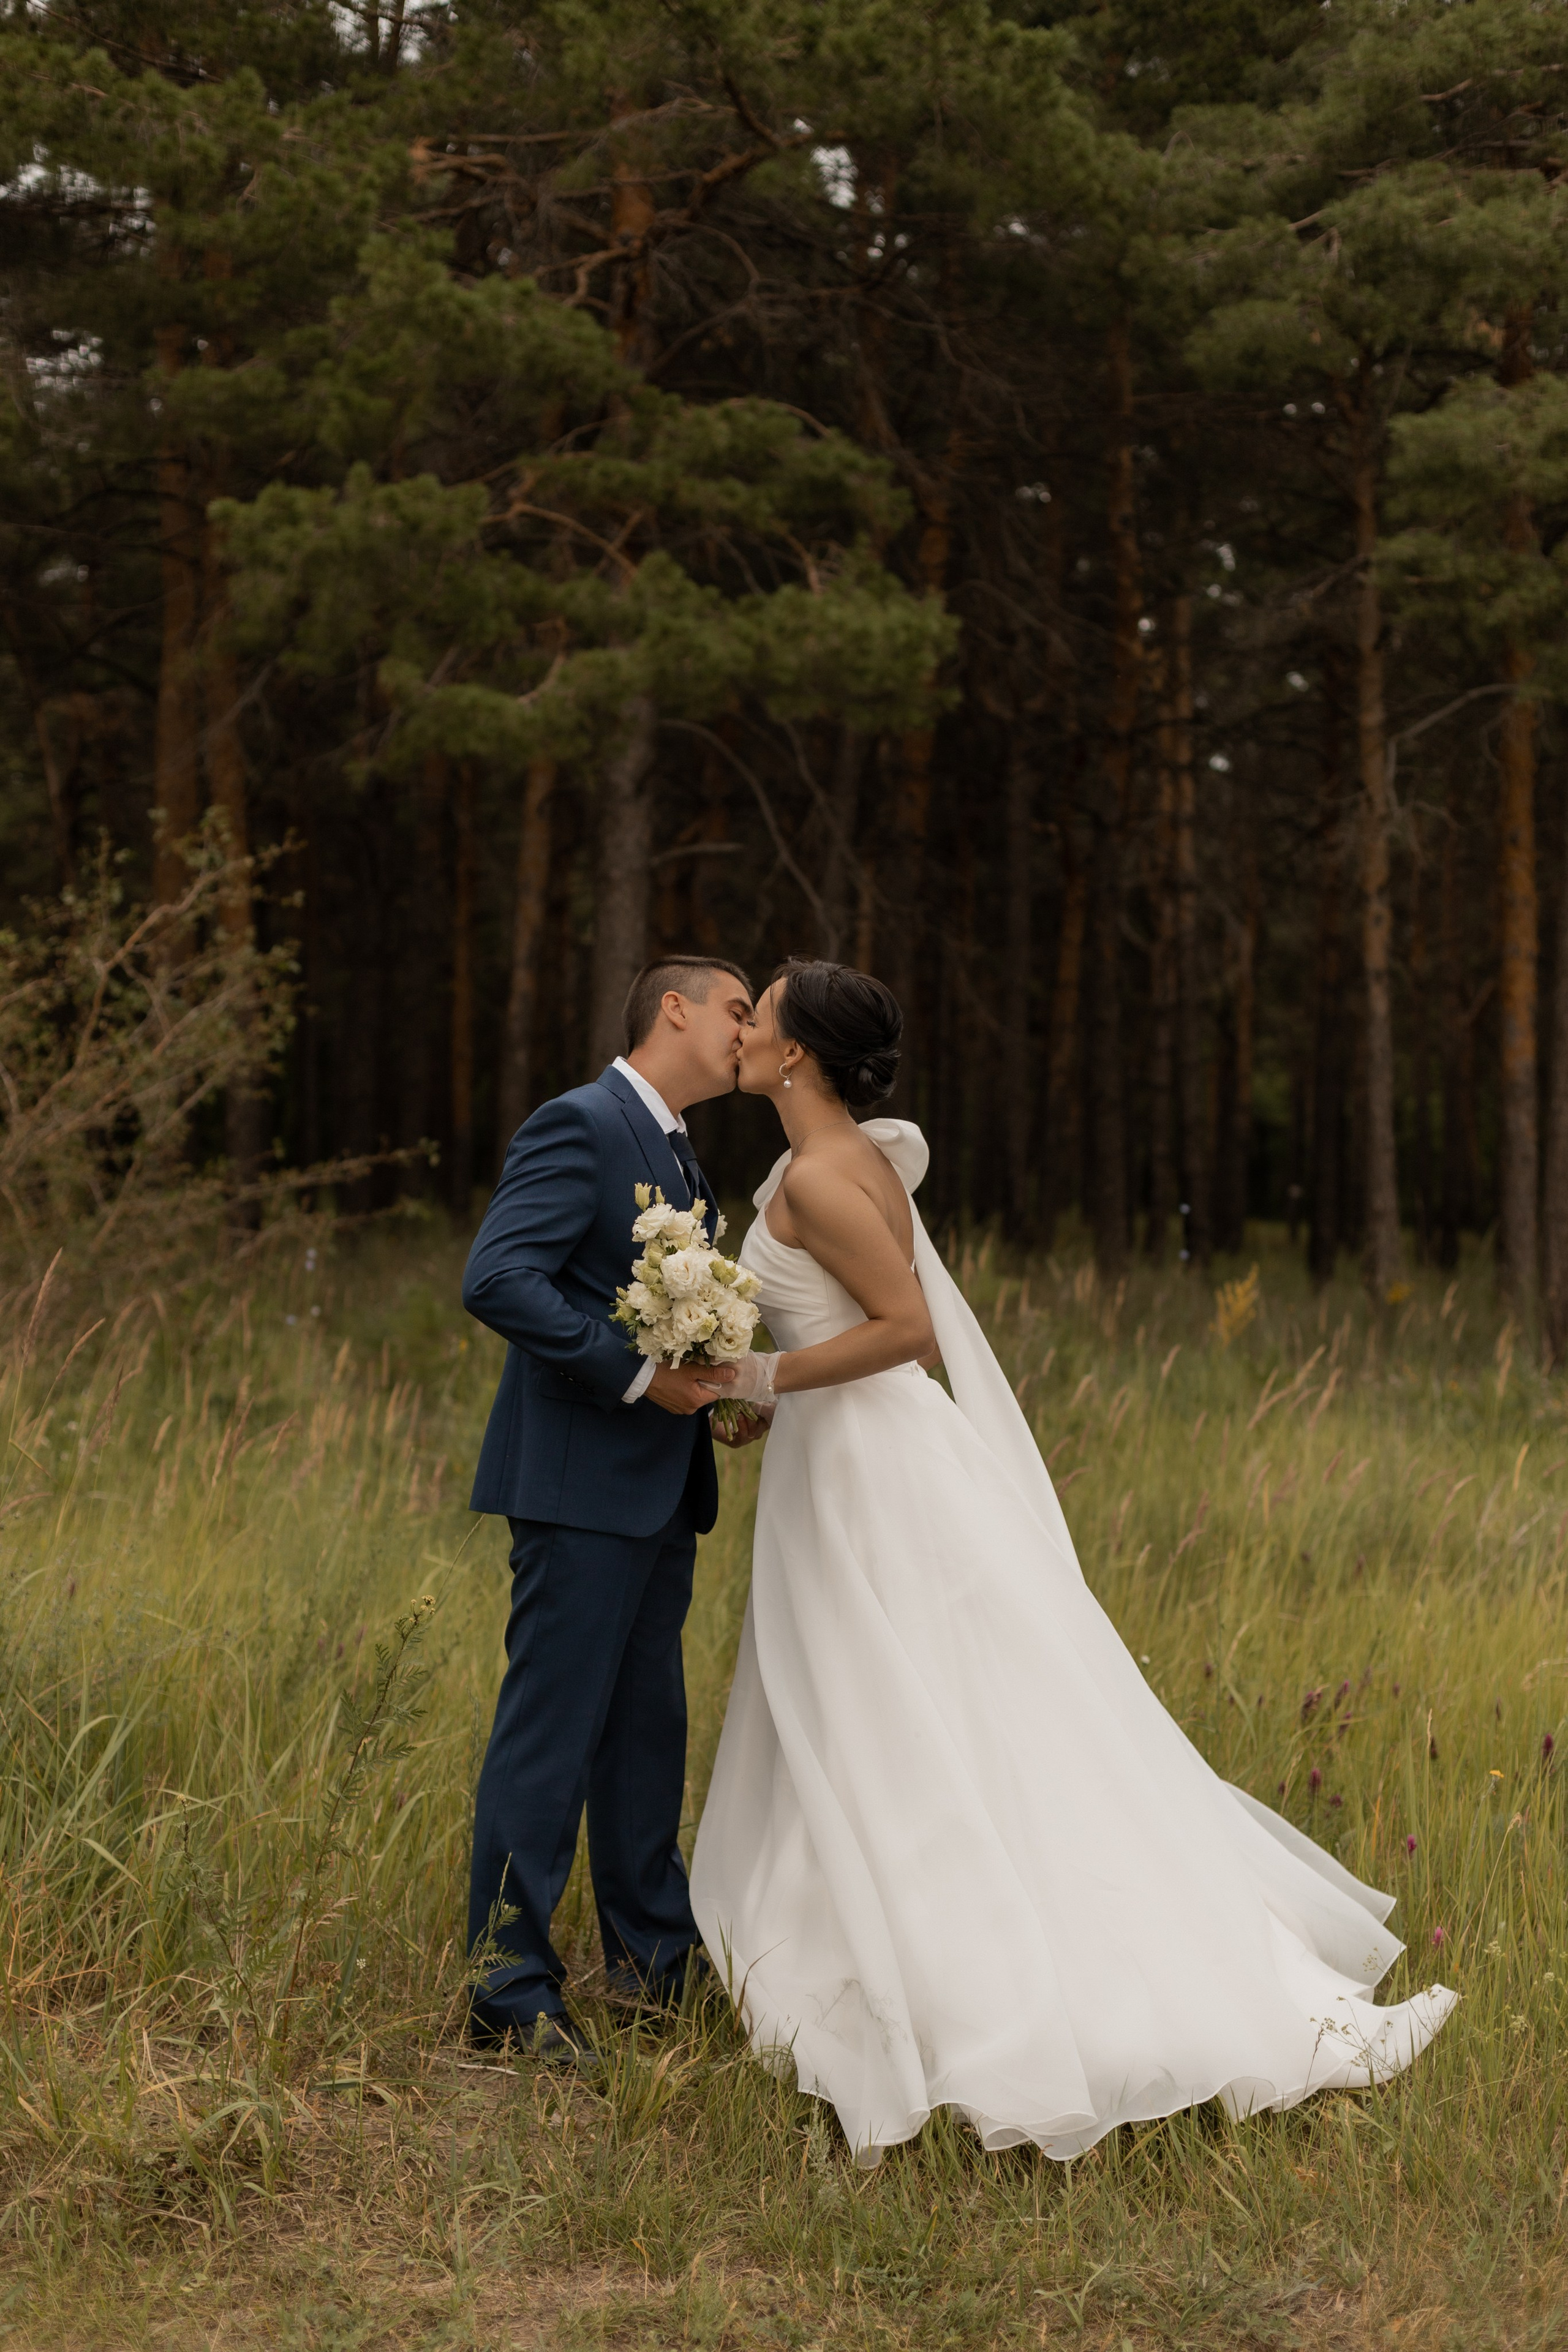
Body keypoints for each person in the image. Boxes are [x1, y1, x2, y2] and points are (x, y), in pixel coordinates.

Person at [689, 958, 1455, 2164]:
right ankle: (865, 1923)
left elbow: (906, 1333)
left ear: (797, 1055)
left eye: (761, 1015)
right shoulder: (831, 1164)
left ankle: (958, 1973)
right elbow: (852, 1330)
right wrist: (774, 1401)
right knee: (880, 1707)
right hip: (846, 1463)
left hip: (866, 1484)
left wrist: (760, 1376)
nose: (742, 1032)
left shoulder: (824, 1179)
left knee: (886, 1709)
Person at [461, 955, 763, 2059]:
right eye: (738, 1010)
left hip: (656, 1483)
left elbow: (640, 1303)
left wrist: (708, 1387)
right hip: (580, 1484)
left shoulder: (681, 1152)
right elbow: (499, 1277)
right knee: (550, 1736)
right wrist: (640, 1379)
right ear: (673, 1010)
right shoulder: (580, 1123)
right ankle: (508, 1990)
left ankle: (654, 1963)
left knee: (645, 1736)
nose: (748, 1031)